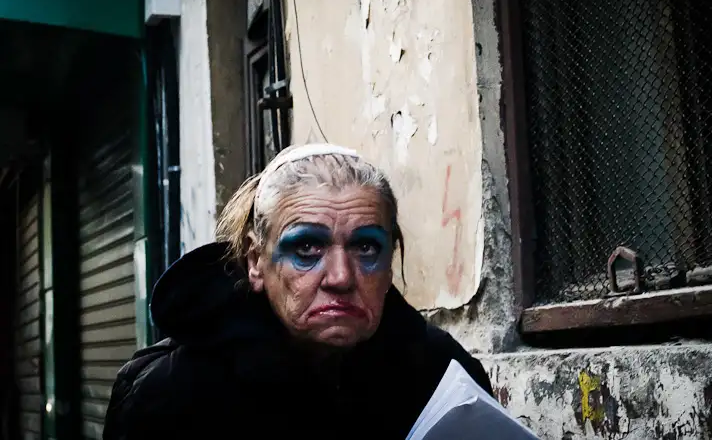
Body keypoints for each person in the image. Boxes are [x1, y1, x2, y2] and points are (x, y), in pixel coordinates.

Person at [103, 143, 493, 439]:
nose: (340, 277)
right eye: (307, 248)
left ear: (390, 261)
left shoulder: (444, 379)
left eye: (366, 247)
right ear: (256, 262)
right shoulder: (166, 395)